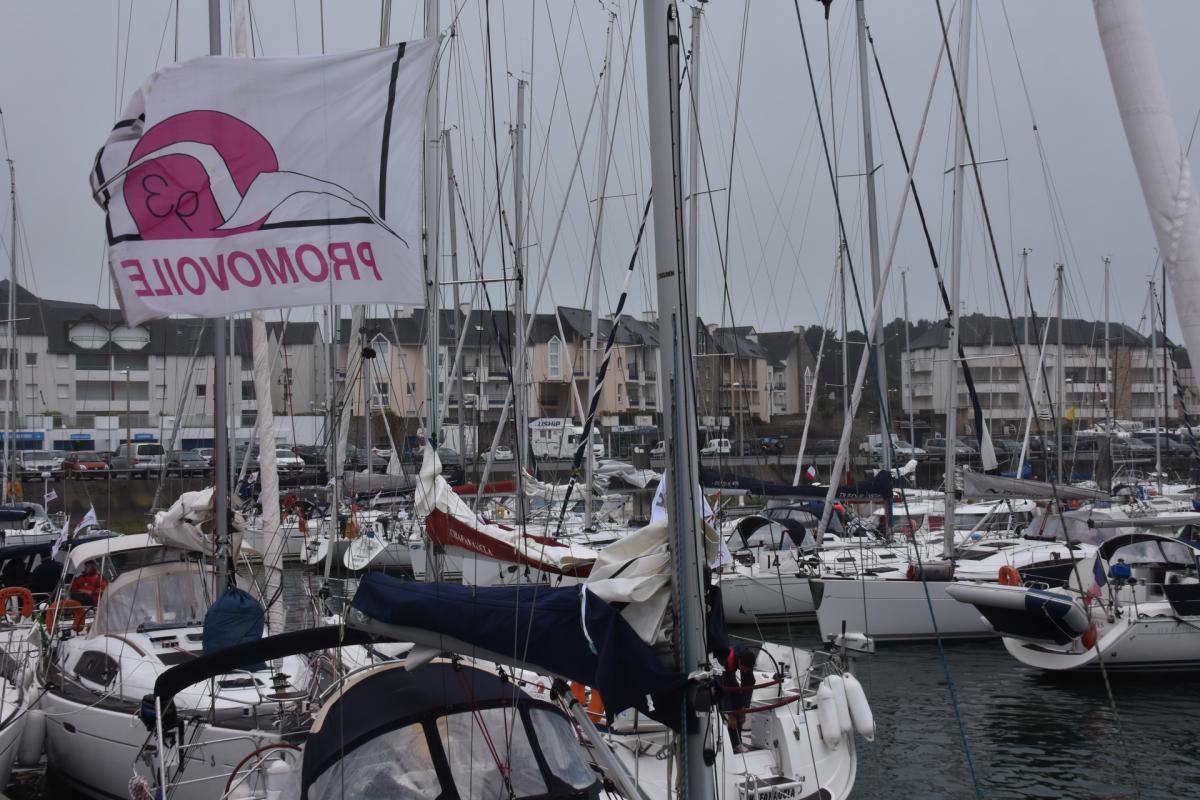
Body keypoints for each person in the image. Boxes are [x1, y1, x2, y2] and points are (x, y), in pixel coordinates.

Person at [721, 646, 757, 753]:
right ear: (739, 662)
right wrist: (730, 715)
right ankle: (734, 742)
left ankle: (736, 743)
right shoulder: (727, 661)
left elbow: (749, 684)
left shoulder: (747, 662)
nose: (745, 671)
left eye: (747, 669)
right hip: (720, 674)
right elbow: (724, 690)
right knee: (732, 704)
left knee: (738, 702)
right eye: (744, 668)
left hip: (730, 673)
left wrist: (744, 709)